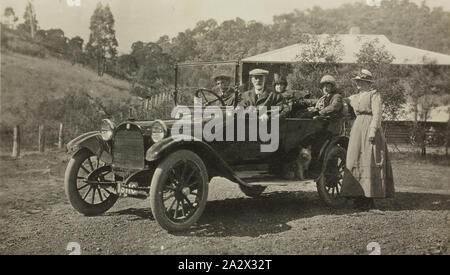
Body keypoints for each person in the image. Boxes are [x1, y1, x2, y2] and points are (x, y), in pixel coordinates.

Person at [342, 69, 395, 209]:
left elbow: (377, 114)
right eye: (357, 81)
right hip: (357, 128)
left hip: (369, 127)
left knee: (369, 158)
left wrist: (373, 130)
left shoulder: (374, 95)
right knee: (354, 158)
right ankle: (357, 194)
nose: (358, 83)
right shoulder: (354, 97)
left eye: (361, 81)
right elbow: (342, 101)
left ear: (367, 82)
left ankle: (369, 196)